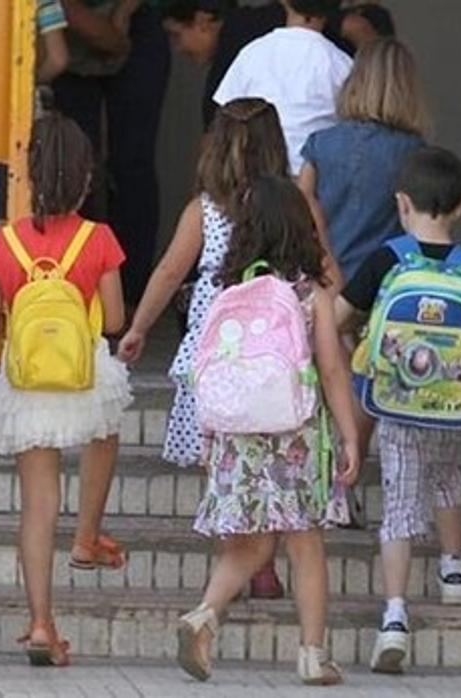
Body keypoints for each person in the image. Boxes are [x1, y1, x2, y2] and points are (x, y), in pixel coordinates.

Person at [335, 147, 461, 674]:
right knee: (446, 477)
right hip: (453, 405)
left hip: (396, 405)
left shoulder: (386, 258)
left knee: (400, 502)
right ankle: (453, 572)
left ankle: (395, 615)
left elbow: (335, 318)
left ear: (402, 202)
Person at [173, 175, 361, 687]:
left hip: (238, 435)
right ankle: (311, 654)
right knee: (305, 545)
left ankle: (205, 613)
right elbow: (332, 371)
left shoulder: (229, 293)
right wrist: (349, 435)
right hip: (296, 433)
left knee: (251, 546)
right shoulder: (309, 293)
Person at [118, 98, 306, 599]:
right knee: (276, 449)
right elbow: (320, 262)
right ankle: (264, 561)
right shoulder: (291, 204)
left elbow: (169, 271)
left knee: (221, 456)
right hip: (275, 346)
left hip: (216, 346)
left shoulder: (204, 209)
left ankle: (237, 555)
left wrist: (139, 328)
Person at [0, 112, 132, 667]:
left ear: (30, 176)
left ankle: (41, 624)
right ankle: (87, 535)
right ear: (86, 178)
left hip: (29, 383)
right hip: (85, 373)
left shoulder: (3, 242)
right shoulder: (99, 238)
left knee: (37, 505)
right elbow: (113, 320)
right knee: (106, 433)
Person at [55, 0, 172, 305]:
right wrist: (111, 32)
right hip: (67, 25)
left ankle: (132, 295)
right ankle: (76, 286)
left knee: (132, 164)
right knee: (76, 165)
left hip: (135, 19)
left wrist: (121, 15)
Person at [300, 36, 426, 282]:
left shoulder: (319, 141)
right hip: (384, 281)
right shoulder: (414, 151)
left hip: (324, 276)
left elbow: (300, 203)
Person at [213, 0, 352, 175]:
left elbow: (223, 121)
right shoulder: (342, 65)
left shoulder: (252, 53)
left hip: (257, 179)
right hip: (316, 185)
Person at [160, 0, 285, 128]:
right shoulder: (280, 18)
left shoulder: (229, 61)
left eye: (176, 35)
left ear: (202, 20)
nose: (178, 49)